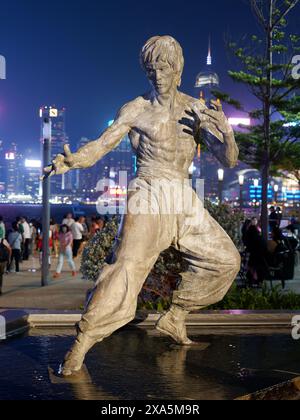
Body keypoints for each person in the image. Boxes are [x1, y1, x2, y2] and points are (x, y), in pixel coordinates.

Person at [45, 35, 241, 376]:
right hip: (148, 191)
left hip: (182, 195)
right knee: (126, 269)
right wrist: (74, 161)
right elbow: (102, 144)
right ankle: (80, 346)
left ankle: (175, 316)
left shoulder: (193, 110)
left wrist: (227, 133)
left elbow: (228, 159)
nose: (158, 75)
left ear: (178, 71)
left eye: (164, 68)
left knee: (226, 261)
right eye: (152, 69)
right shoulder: (136, 109)